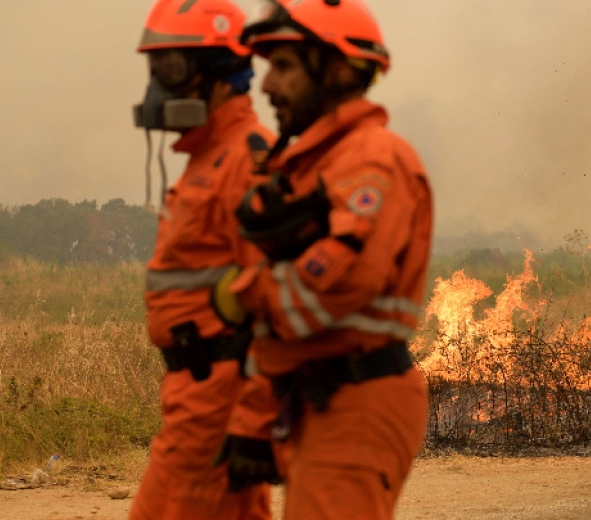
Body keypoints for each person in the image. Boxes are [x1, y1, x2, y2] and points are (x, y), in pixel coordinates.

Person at [210, 0, 434, 517]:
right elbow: (284, 335)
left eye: (284, 67)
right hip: (314, 399)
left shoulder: (372, 159)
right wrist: (251, 422)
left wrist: (242, 295)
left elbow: (337, 285)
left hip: (357, 402)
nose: (266, 86)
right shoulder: (315, 167)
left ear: (337, 70)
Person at [128, 1, 279, 518]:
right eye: (157, 69)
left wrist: (254, 419)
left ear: (221, 75)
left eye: (172, 69)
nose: (159, 89)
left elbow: (274, 302)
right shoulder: (205, 159)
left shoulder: (248, 159)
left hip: (220, 398)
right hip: (193, 398)